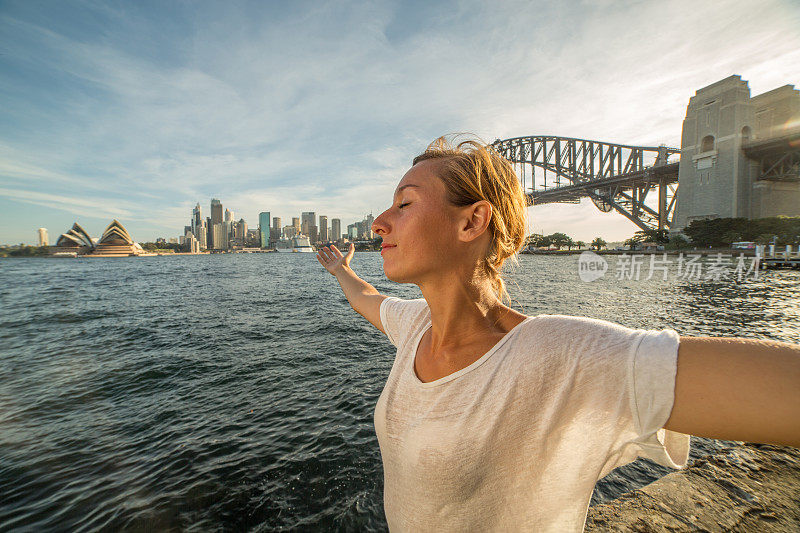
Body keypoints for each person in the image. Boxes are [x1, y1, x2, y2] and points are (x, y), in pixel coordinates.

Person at [316, 136, 800, 532]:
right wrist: (341, 269)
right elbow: (368, 300)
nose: (379, 223)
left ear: (471, 221)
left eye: (404, 204)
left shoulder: (555, 354)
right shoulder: (416, 325)